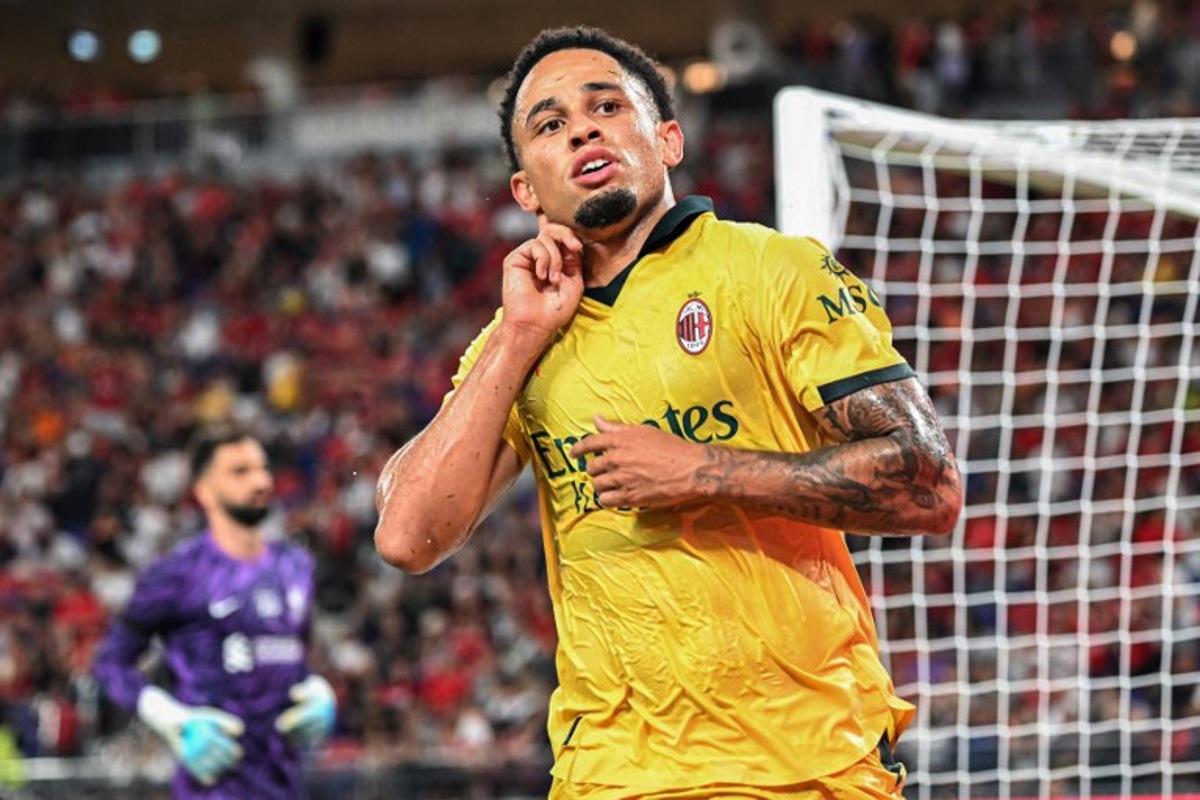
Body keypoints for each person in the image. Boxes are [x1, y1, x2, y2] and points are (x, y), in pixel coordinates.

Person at [374, 25, 962, 799]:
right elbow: (407, 537)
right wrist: (518, 335)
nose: (582, 127)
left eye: (608, 106)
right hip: (609, 776)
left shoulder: (772, 271)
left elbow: (929, 486)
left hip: (804, 763)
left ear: (669, 140)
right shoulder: (519, 336)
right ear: (526, 190)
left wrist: (703, 471)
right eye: (549, 125)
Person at [93, 426, 335, 799]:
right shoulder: (178, 573)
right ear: (204, 491)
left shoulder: (296, 566)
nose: (260, 481)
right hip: (211, 788)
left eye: (262, 468)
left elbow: (297, 656)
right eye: (240, 471)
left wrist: (319, 690)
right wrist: (173, 721)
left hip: (286, 784)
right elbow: (111, 663)